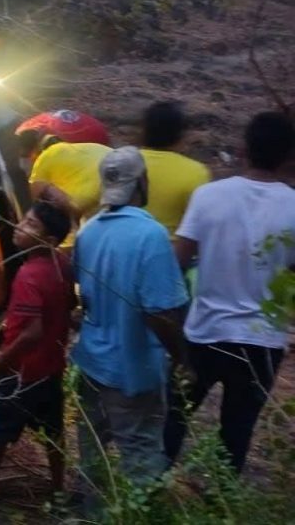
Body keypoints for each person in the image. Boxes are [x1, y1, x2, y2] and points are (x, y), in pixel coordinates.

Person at [163, 111, 295, 473]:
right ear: (288, 158)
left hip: (204, 333)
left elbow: (177, 261)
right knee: (236, 435)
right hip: (262, 343)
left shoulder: (209, 196)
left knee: (173, 417)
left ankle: (150, 494)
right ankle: (220, 506)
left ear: (242, 149)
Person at [71, 146, 190, 499]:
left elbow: (85, 299)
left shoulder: (88, 231)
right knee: (140, 458)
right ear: (142, 182)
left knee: (92, 455)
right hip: (132, 373)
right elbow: (160, 313)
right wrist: (183, 357)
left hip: (91, 363)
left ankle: (88, 516)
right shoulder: (150, 236)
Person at [0, 201, 75, 498]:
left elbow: (31, 332)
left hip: (22, 371)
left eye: (31, 225)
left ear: (48, 240)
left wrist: (3, 357)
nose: (20, 227)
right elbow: (68, 307)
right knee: (53, 430)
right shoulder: (60, 263)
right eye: (24, 220)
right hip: (51, 367)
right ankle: (58, 484)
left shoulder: (29, 274)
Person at [139, 100, 210, 236]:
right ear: (180, 135)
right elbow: (198, 224)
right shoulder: (196, 172)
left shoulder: (122, 161)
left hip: (120, 245)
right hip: (170, 250)